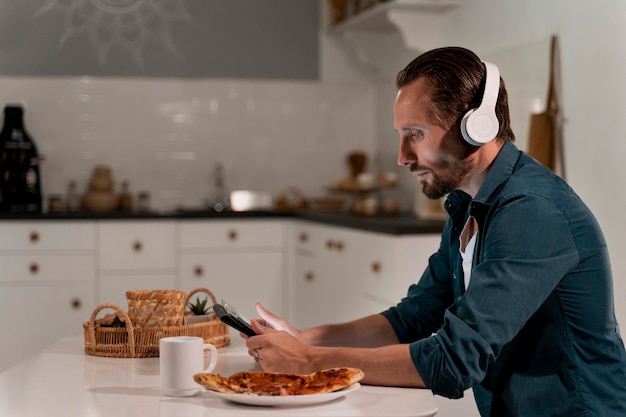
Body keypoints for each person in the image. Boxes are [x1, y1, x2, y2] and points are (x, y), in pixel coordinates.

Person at [244, 47, 626, 416]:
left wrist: (310, 361)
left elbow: (453, 361)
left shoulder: (534, 210)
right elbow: (412, 318)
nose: (402, 156)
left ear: (476, 127)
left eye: (416, 134)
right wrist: (304, 338)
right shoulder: (467, 205)